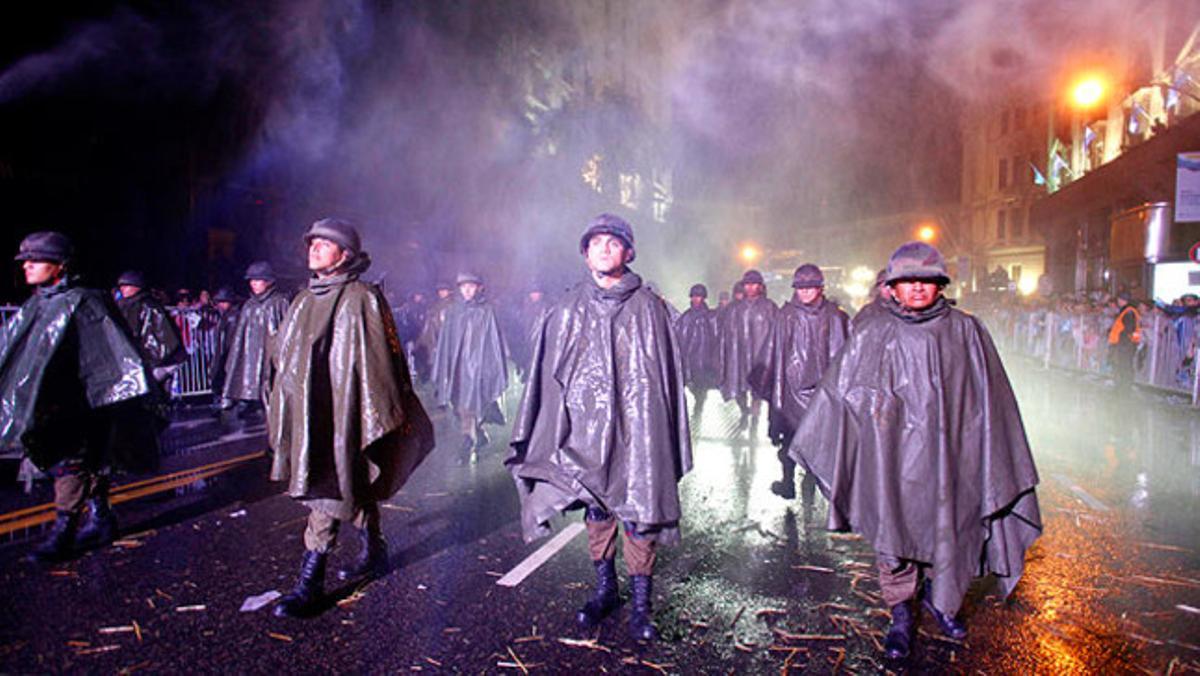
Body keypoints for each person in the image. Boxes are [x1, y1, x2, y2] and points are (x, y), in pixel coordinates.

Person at [788, 242, 1041, 660]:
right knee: (895, 532)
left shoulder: (966, 331)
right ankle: (901, 615)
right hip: (890, 456)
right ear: (892, 287)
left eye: (926, 280)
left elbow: (991, 400)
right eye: (907, 281)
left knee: (949, 528)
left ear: (940, 284)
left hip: (951, 455)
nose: (918, 288)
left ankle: (943, 602)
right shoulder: (873, 332)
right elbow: (844, 394)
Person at [507, 214, 692, 641]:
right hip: (582, 432)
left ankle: (642, 605)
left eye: (614, 242)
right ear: (585, 253)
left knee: (639, 513)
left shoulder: (650, 307)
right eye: (596, 242)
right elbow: (547, 376)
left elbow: (663, 378)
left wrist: (656, 434)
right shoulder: (566, 307)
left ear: (629, 252)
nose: (604, 248)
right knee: (597, 511)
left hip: (637, 431)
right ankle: (605, 589)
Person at [268, 217, 435, 618]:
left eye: (325, 244)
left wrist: (373, 415)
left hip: (350, 413)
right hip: (314, 412)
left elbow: (381, 363)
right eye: (312, 243)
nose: (314, 249)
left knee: (328, 488)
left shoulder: (362, 297)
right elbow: (287, 360)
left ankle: (310, 581)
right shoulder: (304, 300)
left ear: (345, 255)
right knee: (347, 483)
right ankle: (375, 548)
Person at [1, 232, 160, 560]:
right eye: (25, 260)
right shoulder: (39, 302)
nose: (27, 266)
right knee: (85, 464)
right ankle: (101, 517)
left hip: (83, 404)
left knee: (72, 464)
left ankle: (65, 530)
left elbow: (107, 356)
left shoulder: (85, 300)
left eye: (36, 260)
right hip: (55, 405)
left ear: (59, 266)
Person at [767, 264, 848, 502]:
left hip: (823, 393)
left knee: (820, 443)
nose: (804, 292)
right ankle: (789, 482)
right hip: (792, 391)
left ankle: (816, 485)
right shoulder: (786, 316)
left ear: (820, 288)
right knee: (790, 443)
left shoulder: (835, 317)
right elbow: (777, 356)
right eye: (800, 288)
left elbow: (843, 355)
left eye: (809, 287)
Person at [432, 272, 509, 458]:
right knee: (458, 403)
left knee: (472, 404)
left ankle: (468, 439)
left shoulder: (486, 311)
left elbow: (493, 341)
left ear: (478, 288)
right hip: (457, 368)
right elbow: (445, 343)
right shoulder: (452, 312)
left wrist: (490, 368)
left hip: (477, 367)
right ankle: (478, 435)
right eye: (463, 286)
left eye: (471, 286)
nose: (467, 290)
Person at [221, 261, 290, 417]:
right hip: (250, 351)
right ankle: (247, 399)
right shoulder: (249, 305)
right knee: (248, 372)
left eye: (257, 280)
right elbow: (240, 335)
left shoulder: (279, 302)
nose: (253, 284)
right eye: (252, 280)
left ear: (268, 281)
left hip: (270, 351)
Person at [719, 270, 776, 431]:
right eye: (747, 284)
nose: (750, 288)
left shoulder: (769, 308)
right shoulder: (734, 309)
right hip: (739, 355)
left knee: (757, 390)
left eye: (754, 284)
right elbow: (725, 335)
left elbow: (776, 333)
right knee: (739, 388)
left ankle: (755, 418)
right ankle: (745, 411)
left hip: (760, 356)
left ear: (761, 286)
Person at [115, 270, 186, 386]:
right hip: (146, 361)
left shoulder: (147, 306)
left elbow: (162, 339)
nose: (123, 289)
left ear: (137, 286)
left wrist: (149, 359)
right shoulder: (126, 305)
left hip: (158, 361)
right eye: (121, 286)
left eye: (126, 285)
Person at [675, 283, 721, 417]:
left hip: (704, 359)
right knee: (691, 385)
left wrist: (715, 357)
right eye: (694, 297)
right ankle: (698, 404)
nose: (696, 299)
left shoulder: (711, 317)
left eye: (699, 297)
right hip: (689, 358)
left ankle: (699, 407)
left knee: (701, 386)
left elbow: (716, 337)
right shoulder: (685, 317)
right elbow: (679, 335)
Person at [416, 280, 456, 385]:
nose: (441, 292)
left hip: (443, 338)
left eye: (444, 290)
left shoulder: (452, 305)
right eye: (440, 290)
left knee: (444, 362)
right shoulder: (437, 304)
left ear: (450, 291)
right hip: (432, 338)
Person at [208, 286, 241, 399]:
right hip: (225, 353)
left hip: (228, 354)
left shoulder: (232, 317)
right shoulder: (226, 316)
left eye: (223, 302)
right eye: (219, 302)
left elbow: (230, 340)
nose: (220, 305)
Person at [1107, 291, 1141, 393]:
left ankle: (1124, 386)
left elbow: (1128, 329)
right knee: (1124, 365)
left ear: (1123, 300)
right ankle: (1123, 385)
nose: (1118, 301)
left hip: (1125, 345)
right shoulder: (1128, 311)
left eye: (1119, 299)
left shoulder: (1128, 312)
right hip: (1126, 344)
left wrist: (1122, 342)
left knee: (1124, 365)